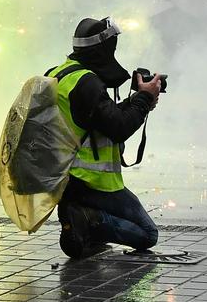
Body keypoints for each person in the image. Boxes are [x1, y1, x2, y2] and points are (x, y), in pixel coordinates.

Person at [50, 17, 162, 258]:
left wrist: (138, 101)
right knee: (147, 234)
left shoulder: (62, 74)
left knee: (136, 227)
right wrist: (142, 101)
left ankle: (83, 226)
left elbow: (97, 117)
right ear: (102, 48)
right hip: (90, 180)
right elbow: (118, 127)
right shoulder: (87, 82)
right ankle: (87, 220)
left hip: (65, 177)